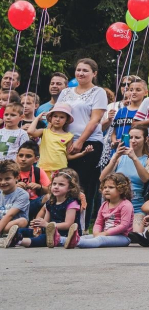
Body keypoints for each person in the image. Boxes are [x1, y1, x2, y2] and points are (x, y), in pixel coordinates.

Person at [56, 59, 108, 208]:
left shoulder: (98, 92)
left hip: (89, 142)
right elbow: (58, 115)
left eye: (85, 70)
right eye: (78, 70)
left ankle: (81, 223)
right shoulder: (65, 92)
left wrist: (80, 141)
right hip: (65, 141)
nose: (81, 73)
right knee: (64, 181)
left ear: (94, 73)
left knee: (82, 183)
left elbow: (95, 119)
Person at [100, 124, 149, 220]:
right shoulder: (120, 157)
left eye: (137, 137)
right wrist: (115, 157)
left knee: (134, 234)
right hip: (116, 204)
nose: (133, 140)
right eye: (130, 137)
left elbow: (145, 178)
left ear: (146, 139)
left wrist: (134, 158)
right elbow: (102, 178)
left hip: (136, 206)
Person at [68, 173, 133, 249]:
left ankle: (76, 242)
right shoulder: (104, 205)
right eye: (105, 187)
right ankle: (59, 240)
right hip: (105, 234)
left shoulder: (126, 205)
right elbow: (99, 223)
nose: (106, 190)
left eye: (111, 187)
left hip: (122, 237)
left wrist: (104, 233)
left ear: (121, 190)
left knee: (100, 239)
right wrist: (96, 233)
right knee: (85, 237)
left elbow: (124, 226)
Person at [19, 170, 82, 247]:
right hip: (50, 231)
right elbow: (45, 221)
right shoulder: (50, 202)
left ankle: (19, 241)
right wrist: (38, 225)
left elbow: (68, 224)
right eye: (54, 184)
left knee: (43, 238)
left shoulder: (71, 203)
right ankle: (15, 236)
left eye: (61, 184)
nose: (56, 187)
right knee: (23, 230)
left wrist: (47, 225)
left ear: (70, 188)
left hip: (64, 234)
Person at [27, 103, 85, 173]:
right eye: (55, 116)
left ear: (66, 120)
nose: (58, 119)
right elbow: (30, 131)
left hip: (60, 169)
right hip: (43, 169)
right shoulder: (44, 132)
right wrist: (37, 118)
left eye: (62, 117)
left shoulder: (69, 136)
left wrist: (83, 154)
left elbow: (68, 156)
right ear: (50, 118)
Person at [0, 159, 30, 248]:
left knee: (22, 221)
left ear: (17, 177)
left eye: (7, 178)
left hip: (13, 223)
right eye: (0, 179)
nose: (3, 182)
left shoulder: (22, 194)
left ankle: (6, 236)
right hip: (1, 222)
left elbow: (10, 215)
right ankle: (4, 236)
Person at [15, 141, 48, 218]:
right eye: (21, 155)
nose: (23, 159)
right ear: (17, 157)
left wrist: (39, 186)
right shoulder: (9, 170)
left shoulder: (38, 171)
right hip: (13, 204)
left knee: (49, 197)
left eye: (28, 156)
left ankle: (38, 223)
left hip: (32, 203)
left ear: (36, 159)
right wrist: (14, 187)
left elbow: (51, 190)